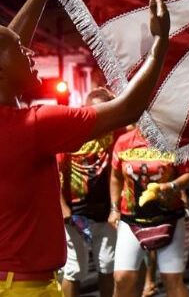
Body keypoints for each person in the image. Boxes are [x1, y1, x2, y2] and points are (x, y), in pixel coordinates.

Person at [0, 0, 170, 297]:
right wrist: (159, 46)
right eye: (21, 52)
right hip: (16, 290)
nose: (30, 52)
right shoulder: (32, 125)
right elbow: (127, 108)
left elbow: (2, 45)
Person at [109, 128, 189, 297]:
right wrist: (114, 208)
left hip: (169, 219)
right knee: (122, 277)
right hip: (131, 219)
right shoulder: (124, 141)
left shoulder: (174, 140)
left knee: (172, 280)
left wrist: (171, 186)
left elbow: (188, 175)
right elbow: (115, 177)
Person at [57, 88, 120, 297]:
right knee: (74, 270)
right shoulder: (70, 135)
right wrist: (63, 207)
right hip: (75, 214)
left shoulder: (116, 132)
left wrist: (116, 208)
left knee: (107, 266)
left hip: (105, 213)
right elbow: (54, 172)